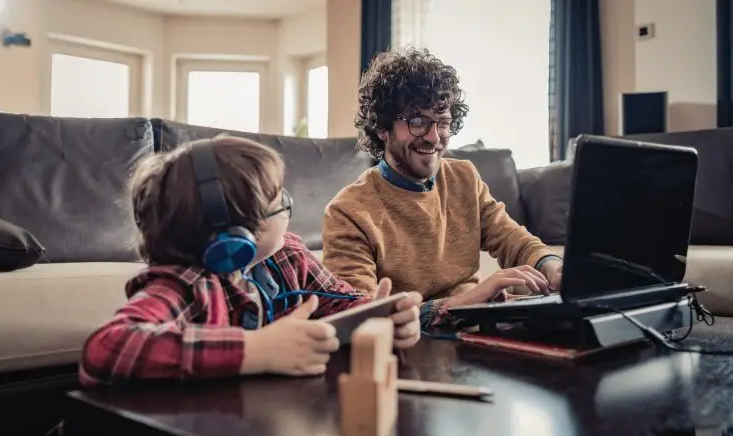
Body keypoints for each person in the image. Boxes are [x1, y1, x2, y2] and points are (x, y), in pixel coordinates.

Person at [79, 135, 422, 387]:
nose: (289, 204)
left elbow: (340, 306)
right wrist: (255, 349)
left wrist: (381, 317)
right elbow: (106, 348)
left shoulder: (288, 256)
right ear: (237, 233)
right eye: (278, 201)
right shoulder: (185, 283)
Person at [322, 47, 562, 330]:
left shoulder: (464, 177)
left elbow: (512, 238)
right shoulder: (348, 211)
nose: (434, 138)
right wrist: (463, 303)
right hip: (412, 345)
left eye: (443, 122)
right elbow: (358, 318)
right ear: (382, 128)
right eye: (418, 123)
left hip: (477, 332)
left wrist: (552, 266)